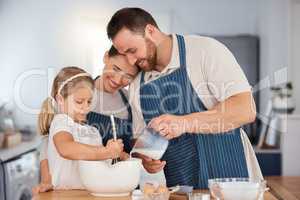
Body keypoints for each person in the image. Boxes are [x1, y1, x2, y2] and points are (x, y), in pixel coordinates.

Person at [107, 7, 263, 189]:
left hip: (231, 180)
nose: (131, 61)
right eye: (125, 54)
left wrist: (184, 123)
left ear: (150, 31)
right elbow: (140, 137)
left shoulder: (204, 51)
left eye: (133, 50)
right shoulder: (137, 85)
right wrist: (145, 157)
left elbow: (245, 110)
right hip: (180, 189)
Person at [32, 49, 139, 194]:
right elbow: (66, 148)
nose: (85, 108)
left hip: (89, 193)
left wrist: (119, 155)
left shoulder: (92, 131)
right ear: (60, 100)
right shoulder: (62, 121)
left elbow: (99, 160)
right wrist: (106, 151)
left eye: (89, 102)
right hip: (65, 194)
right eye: (79, 102)